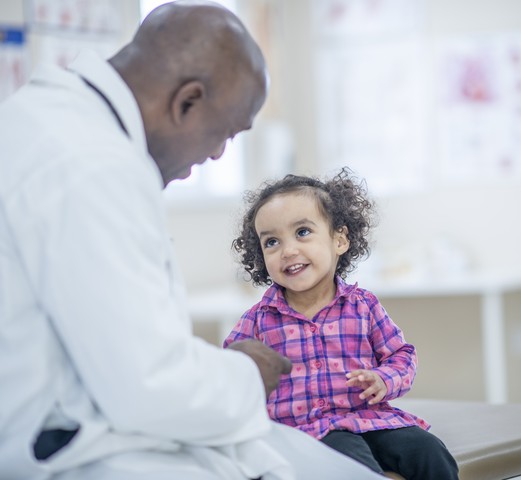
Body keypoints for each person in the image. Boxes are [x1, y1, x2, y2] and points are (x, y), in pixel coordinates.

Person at [0, 2, 387, 479]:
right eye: (224, 132)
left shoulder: (47, 116)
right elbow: (148, 386)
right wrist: (249, 374)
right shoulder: (93, 167)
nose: (217, 153)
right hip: (76, 453)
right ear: (187, 102)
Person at [223, 168, 460, 479]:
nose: (288, 250)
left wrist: (383, 378)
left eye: (303, 232)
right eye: (271, 242)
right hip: (311, 433)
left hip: (373, 419)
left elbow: (401, 356)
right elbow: (229, 369)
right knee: (352, 464)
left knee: (429, 451)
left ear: (340, 240)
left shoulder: (363, 306)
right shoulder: (258, 320)